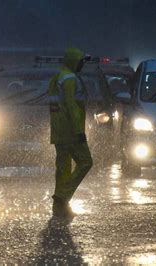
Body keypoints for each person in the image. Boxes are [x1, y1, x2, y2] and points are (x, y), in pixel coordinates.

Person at [48, 47, 93, 220]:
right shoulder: (70, 79)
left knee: (63, 168)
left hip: (59, 130)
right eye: (81, 61)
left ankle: (59, 209)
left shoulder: (58, 77)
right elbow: (72, 106)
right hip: (70, 131)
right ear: (75, 61)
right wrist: (79, 131)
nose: (83, 65)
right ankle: (62, 197)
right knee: (85, 162)